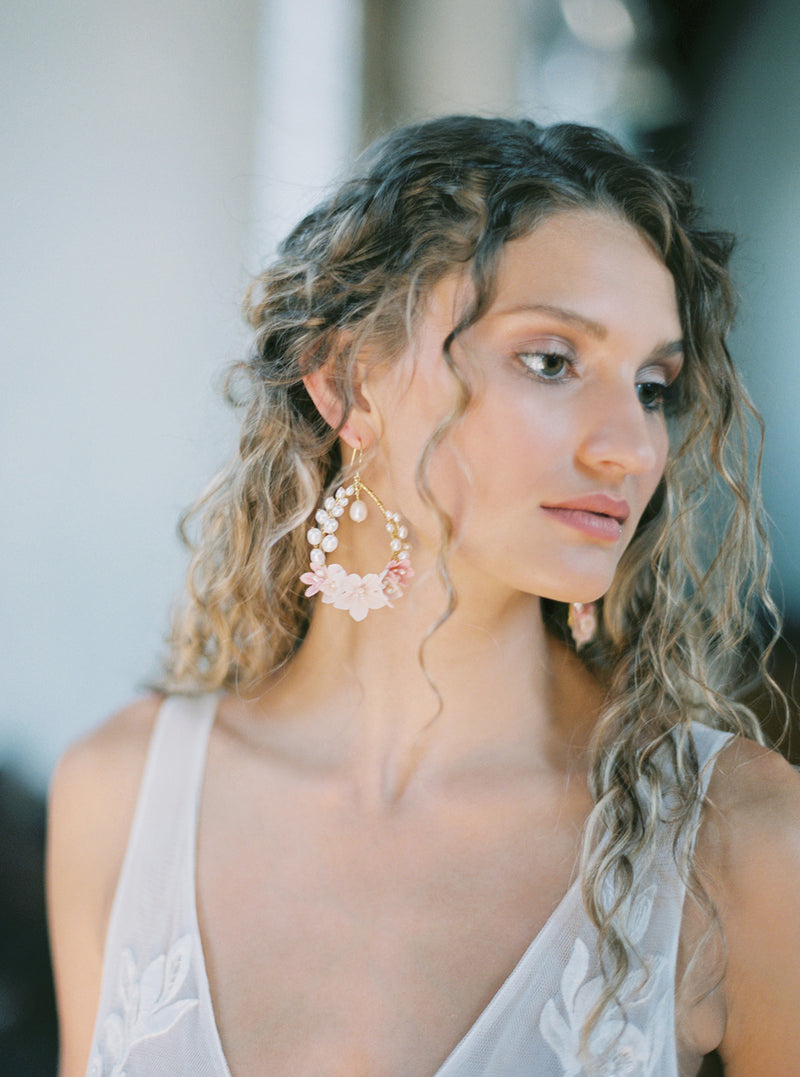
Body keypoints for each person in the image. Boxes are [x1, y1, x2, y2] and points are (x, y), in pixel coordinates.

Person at [46, 116, 800, 1077]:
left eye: (652, 385)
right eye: (553, 360)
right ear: (348, 380)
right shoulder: (120, 792)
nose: (633, 446)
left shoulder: (739, 839)